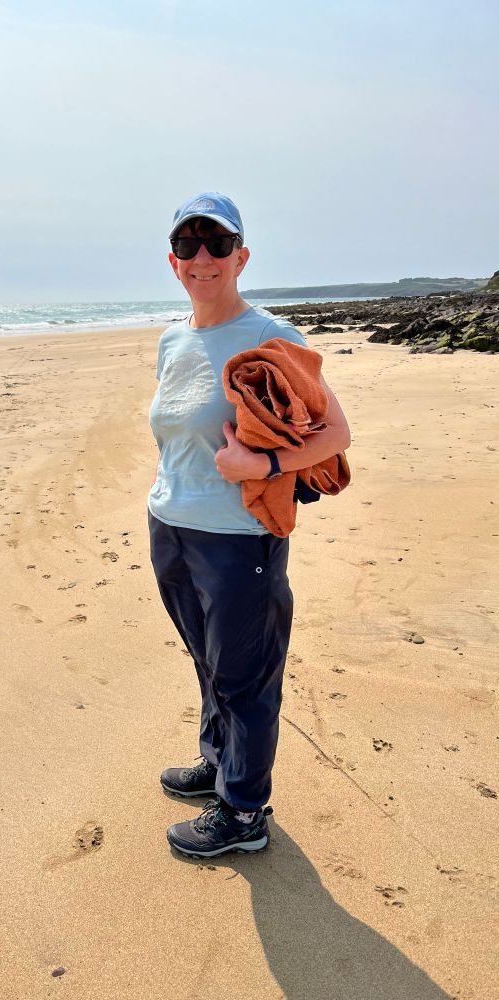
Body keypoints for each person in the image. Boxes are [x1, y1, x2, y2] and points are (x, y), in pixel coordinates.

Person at [149, 192, 351, 858]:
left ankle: (243, 812)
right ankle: (219, 763)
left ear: (241, 257)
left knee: (246, 674)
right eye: (188, 245)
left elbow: (336, 434)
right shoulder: (173, 339)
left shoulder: (273, 337)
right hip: (171, 526)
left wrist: (262, 460)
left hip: (240, 540)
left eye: (216, 244)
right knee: (209, 665)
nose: (202, 257)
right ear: (175, 264)